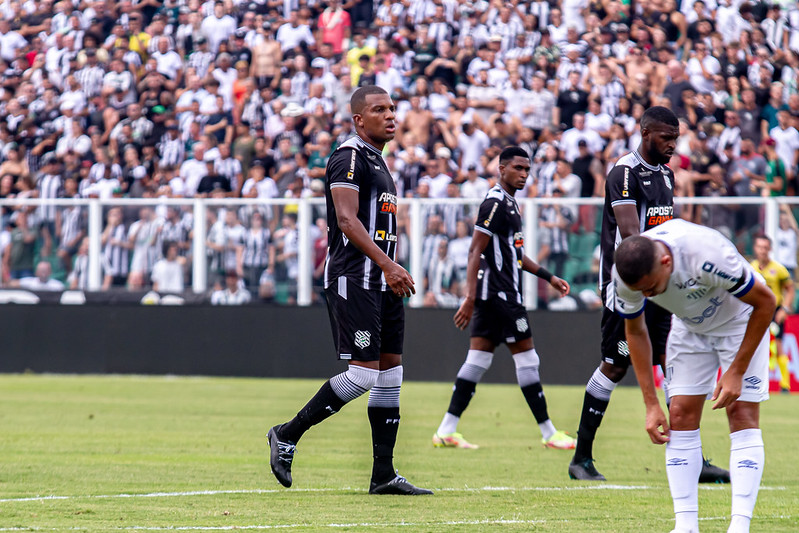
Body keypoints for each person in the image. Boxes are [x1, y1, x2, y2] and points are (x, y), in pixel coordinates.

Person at [267, 86, 432, 496]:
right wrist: (389, 264)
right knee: (362, 374)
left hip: (383, 281)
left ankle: (383, 475)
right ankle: (286, 434)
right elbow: (346, 219)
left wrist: (390, 269)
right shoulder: (349, 156)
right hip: (356, 277)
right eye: (379, 110)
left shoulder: (377, 160)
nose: (390, 116)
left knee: (391, 373)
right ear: (359, 119)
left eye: (393, 109)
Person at [568, 106, 729, 484]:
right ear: (645, 133)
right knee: (615, 365)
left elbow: (667, 230)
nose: (672, 145)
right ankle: (581, 458)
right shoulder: (624, 172)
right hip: (626, 286)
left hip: (662, 287)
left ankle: (693, 458)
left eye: (675, 138)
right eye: (665, 138)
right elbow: (631, 236)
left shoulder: (667, 175)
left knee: (673, 361)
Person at [612, 219, 775, 533]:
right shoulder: (625, 274)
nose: (646, 294)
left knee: (741, 412)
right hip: (689, 326)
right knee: (679, 414)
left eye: (649, 287)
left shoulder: (706, 255)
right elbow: (635, 330)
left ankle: (739, 526)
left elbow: (766, 302)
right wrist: (650, 404)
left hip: (740, 318)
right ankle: (685, 526)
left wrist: (735, 371)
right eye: (640, 291)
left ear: (666, 261)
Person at [432, 146, 575, 451]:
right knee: (528, 359)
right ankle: (549, 432)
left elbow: (516, 254)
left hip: (493, 294)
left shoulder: (510, 204)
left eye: (527, 169)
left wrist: (548, 276)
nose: (524, 174)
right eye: (518, 168)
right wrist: (468, 297)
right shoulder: (495, 203)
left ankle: (446, 429)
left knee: (478, 360)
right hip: (501, 295)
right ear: (502, 169)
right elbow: (475, 250)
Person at [750, 234, 794, 394]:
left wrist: (785, 309)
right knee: (753, 343)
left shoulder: (779, 269)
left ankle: (785, 384)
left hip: (775, 311)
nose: (762, 251)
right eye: (760, 247)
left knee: (779, 343)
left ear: (770, 249)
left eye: (765, 248)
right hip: (755, 310)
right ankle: (754, 380)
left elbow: (790, 289)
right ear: (755, 249)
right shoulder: (751, 267)